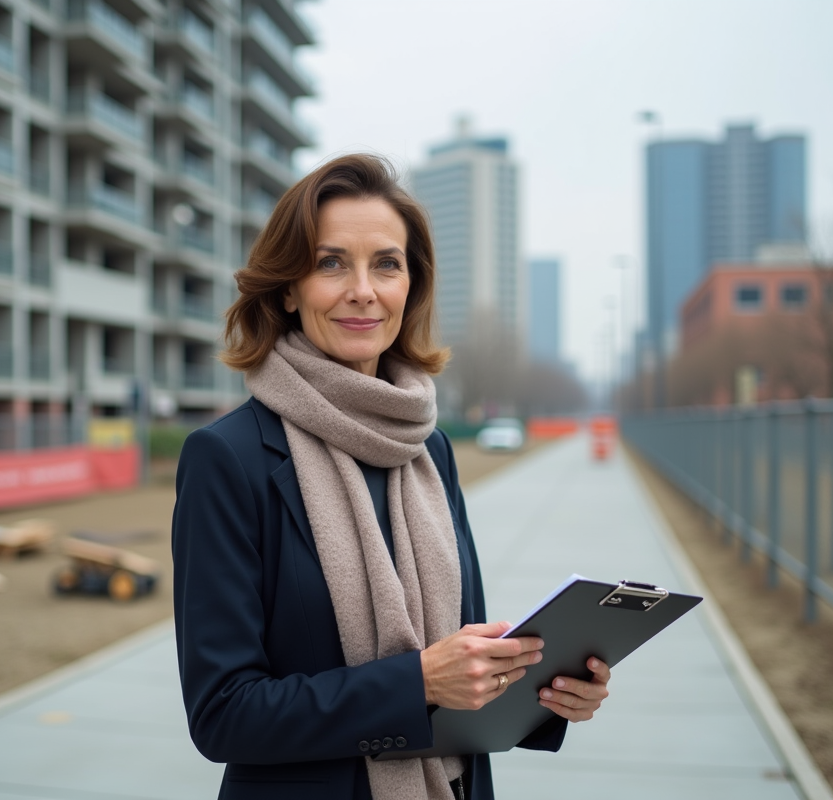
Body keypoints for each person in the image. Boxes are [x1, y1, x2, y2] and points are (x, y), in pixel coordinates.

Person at [172, 154, 610, 800]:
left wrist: (546, 694)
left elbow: (460, 670)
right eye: (330, 264)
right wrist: (419, 683)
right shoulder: (227, 458)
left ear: (412, 285)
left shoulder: (429, 449)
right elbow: (224, 715)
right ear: (287, 289)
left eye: (386, 263)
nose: (363, 290)